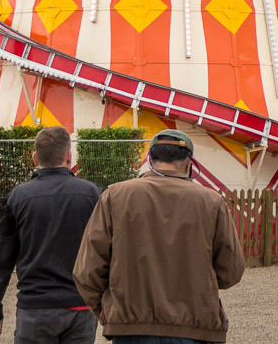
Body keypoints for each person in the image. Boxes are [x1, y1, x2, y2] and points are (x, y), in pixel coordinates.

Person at [74, 129, 245, 343]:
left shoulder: (114, 197)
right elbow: (231, 271)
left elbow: (87, 271)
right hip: (193, 328)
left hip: (130, 330)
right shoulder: (212, 202)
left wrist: (109, 313)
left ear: (150, 161)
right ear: (188, 164)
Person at [0, 126, 100, 343]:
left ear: (35, 158)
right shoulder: (92, 194)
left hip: (35, 308)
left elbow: (2, 262)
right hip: (80, 306)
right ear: (68, 156)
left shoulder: (17, 198)